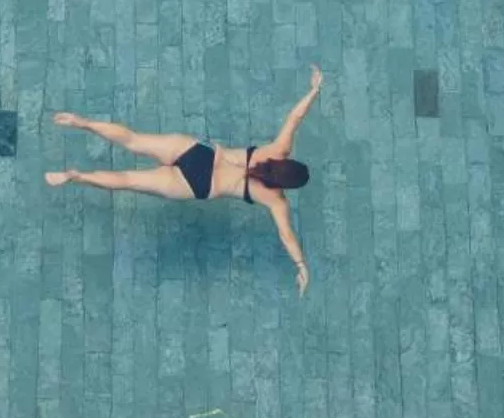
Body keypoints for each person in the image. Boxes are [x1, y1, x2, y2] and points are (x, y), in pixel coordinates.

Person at [45, 65, 322, 293]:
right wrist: (301, 266)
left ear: (288, 162)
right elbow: (286, 236)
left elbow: (295, 117)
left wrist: (314, 91)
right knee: (128, 180)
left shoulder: (277, 150)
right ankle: (76, 176)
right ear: (287, 185)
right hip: (198, 186)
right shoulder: (276, 200)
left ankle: (82, 122)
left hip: (201, 154)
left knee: (133, 139)